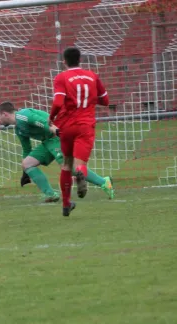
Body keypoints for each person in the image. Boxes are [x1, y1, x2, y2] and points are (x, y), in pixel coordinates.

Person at [0, 102, 114, 202]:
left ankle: (104, 182)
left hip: (56, 136)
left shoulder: (22, 115)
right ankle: (50, 194)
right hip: (47, 142)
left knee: (70, 168)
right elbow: (27, 149)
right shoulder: (19, 129)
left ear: (5, 114)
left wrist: (57, 131)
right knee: (27, 164)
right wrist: (24, 173)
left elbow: (42, 121)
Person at [49, 47, 110, 216]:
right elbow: (105, 100)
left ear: (64, 62)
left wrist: (51, 117)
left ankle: (66, 204)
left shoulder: (61, 77)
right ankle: (81, 176)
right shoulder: (92, 75)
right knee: (80, 164)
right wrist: (89, 98)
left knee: (66, 164)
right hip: (85, 125)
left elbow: (59, 102)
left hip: (67, 126)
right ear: (80, 60)